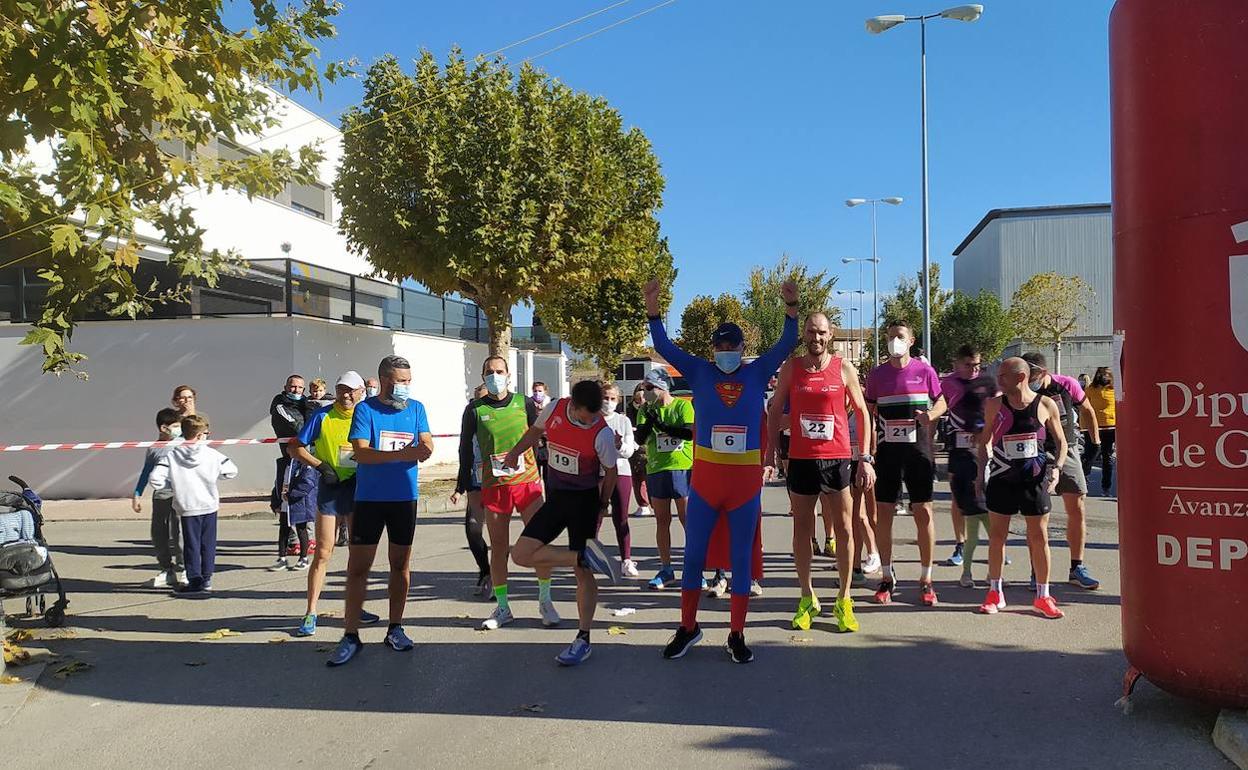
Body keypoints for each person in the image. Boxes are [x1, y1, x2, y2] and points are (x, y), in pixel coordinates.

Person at [646, 276, 799, 664]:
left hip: (743, 486)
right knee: (693, 556)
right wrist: (653, 309)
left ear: (742, 348)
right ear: (713, 348)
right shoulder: (699, 371)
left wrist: (791, 308)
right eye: (720, 345)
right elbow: (663, 346)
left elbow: (786, 344)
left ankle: (736, 634)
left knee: (741, 562)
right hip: (706, 484)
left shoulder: (757, 371)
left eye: (732, 346)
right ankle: (687, 627)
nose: (726, 351)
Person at [768, 312, 875, 633]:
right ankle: (807, 597)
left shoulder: (843, 367)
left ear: (831, 335)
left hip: (837, 458)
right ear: (804, 334)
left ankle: (843, 599)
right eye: (811, 332)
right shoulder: (792, 368)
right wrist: (772, 455)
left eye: (822, 332)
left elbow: (862, 412)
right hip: (801, 458)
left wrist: (865, 457)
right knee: (802, 529)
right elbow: (774, 411)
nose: (816, 337)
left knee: (844, 527)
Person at [327, 356, 434, 667]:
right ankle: (350, 635)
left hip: (404, 498)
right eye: (401, 381)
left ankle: (395, 627)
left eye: (408, 381)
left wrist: (420, 450)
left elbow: (426, 445)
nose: (405, 387)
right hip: (370, 500)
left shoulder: (416, 409)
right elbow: (361, 453)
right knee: (358, 567)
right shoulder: (366, 409)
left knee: (400, 564)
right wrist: (404, 454)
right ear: (385, 381)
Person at [507, 380, 623, 666]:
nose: (592, 420)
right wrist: (514, 453)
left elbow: (610, 473)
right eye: (587, 415)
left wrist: (603, 503)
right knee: (521, 555)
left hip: (585, 503)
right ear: (573, 404)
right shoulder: (555, 408)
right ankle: (583, 557)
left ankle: (583, 638)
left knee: (583, 576)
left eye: (596, 416)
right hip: (556, 500)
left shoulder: (602, 434)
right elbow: (534, 433)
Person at [457, 356, 555, 630]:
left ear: (508, 374)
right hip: (494, 486)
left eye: (499, 371)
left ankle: (545, 602)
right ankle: (502, 607)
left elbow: (539, 437)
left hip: (527, 484)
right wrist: (462, 484)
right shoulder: (474, 409)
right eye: (490, 372)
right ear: (483, 376)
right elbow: (465, 449)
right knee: (498, 548)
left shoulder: (523, 403)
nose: (495, 376)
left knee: (539, 543)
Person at [975, 357, 1068, 619]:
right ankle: (995, 592)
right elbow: (984, 443)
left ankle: (1043, 595)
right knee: (997, 537)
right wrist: (980, 475)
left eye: (1003, 375)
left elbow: (1061, 442)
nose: (998, 379)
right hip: (1002, 478)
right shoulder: (995, 405)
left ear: (1021, 377)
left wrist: (1057, 470)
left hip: (1034, 480)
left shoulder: (1045, 404)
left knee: (1039, 537)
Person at [290, 371, 380, 637]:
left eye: (352, 390)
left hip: (358, 487)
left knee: (358, 551)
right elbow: (295, 447)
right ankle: (311, 612)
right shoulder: (322, 415)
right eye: (342, 389)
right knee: (324, 552)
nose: (346, 395)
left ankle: (355, 607)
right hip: (331, 486)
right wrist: (320, 465)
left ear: (362, 392)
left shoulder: (367, 416)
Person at [866, 320, 947, 607]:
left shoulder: (925, 371)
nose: (894, 342)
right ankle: (886, 577)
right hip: (888, 453)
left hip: (918, 451)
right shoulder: (877, 375)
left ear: (911, 340)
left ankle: (926, 578)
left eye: (899, 336)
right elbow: (869, 409)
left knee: (923, 511)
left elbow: (942, 402)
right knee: (884, 513)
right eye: (890, 337)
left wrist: (931, 416)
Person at [1020, 352, 1101, 591]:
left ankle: (1077, 567)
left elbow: (1087, 410)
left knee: (1077, 507)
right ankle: (1037, 570)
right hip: (1036, 451)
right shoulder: (1024, 390)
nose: (1026, 379)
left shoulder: (1066, 384)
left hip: (1068, 448)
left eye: (1030, 375)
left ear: (1042, 373)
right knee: (1037, 515)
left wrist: (1094, 444)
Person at [148, 414, 238, 595]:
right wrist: (214, 477)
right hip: (209, 504)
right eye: (206, 433)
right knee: (208, 544)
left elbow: (155, 479)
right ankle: (207, 579)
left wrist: (173, 484)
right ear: (199, 435)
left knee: (191, 545)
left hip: (187, 505)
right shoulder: (213, 454)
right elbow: (231, 471)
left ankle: (194, 580)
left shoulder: (172, 455)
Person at [940, 345, 999, 587]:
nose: (974, 370)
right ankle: (960, 545)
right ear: (957, 363)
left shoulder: (988, 382)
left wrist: (991, 437)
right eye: (969, 365)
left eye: (977, 365)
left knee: (987, 496)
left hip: (983, 445)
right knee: (958, 498)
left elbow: (997, 412)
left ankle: (995, 549)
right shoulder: (947, 383)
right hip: (958, 447)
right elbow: (938, 407)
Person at [632, 367, 695, 589]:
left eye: (649, 387)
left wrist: (662, 425)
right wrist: (650, 421)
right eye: (643, 387)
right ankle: (666, 568)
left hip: (682, 467)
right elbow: (640, 437)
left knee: (688, 520)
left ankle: (694, 568)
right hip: (657, 468)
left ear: (662, 387)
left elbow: (689, 433)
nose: (645, 392)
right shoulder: (644, 410)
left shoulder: (682, 406)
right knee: (662, 520)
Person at [131, 407, 187, 588]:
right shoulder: (154, 448)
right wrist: (137, 494)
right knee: (159, 532)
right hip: (161, 495)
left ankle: (186, 569)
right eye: (175, 426)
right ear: (163, 428)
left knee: (181, 532)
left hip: (181, 494)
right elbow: (147, 472)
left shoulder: (184, 443)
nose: (179, 429)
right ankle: (166, 570)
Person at [451, 384, 493, 597]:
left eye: (483, 400)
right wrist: (459, 487)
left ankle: (495, 578)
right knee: (473, 531)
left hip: (497, 484)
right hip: (475, 484)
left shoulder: (498, 420)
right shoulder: (470, 421)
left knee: (497, 534)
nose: (477, 406)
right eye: (474, 401)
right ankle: (485, 570)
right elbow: (463, 456)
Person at [598, 382, 639, 576]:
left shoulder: (623, 421)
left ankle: (626, 560)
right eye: (605, 398)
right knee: (595, 516)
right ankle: (589, 557)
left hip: (621, 471)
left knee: (621, 517)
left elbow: (629, 451)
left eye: (613, 398)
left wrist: (620, 444)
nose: (609, 402)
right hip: (597, 473)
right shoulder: (592, 419)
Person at [270, 456, 315, 571]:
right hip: (285, 502)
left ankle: (304, 558)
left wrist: (292, 495)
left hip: (298, 503)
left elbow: (307, 483)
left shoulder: (305, 463)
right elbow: (278, 483)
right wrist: (275, 501)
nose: (288, 450)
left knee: (301, 529)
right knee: (283, 530)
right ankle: (282, 558)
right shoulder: (283, 463)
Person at [1084, 366, 1117, 495]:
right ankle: (1087, 482)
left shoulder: (1113, 390)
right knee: (1094, 455)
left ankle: (1105, 486)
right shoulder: (1090, 390)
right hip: (1096, 427)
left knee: (1103, 457)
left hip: (1108, 427)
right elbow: (1085, 409)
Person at [626, 384, 653, 517]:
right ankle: (643, 504)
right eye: (639, 393)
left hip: (650, 446)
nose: (641, 397)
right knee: (637, 477)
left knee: (650, 476)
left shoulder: (652, 407)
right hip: (635, 445)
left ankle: (654, 503)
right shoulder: (630, 408)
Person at [530, 381, 551, 481]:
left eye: (540, 391)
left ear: (545, 392)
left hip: (547, 444)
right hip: (534, 445)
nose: (537, 393)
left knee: (548, 477)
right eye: (535, 391)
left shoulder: (550, 405)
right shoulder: (529, 404)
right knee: (535, 476)